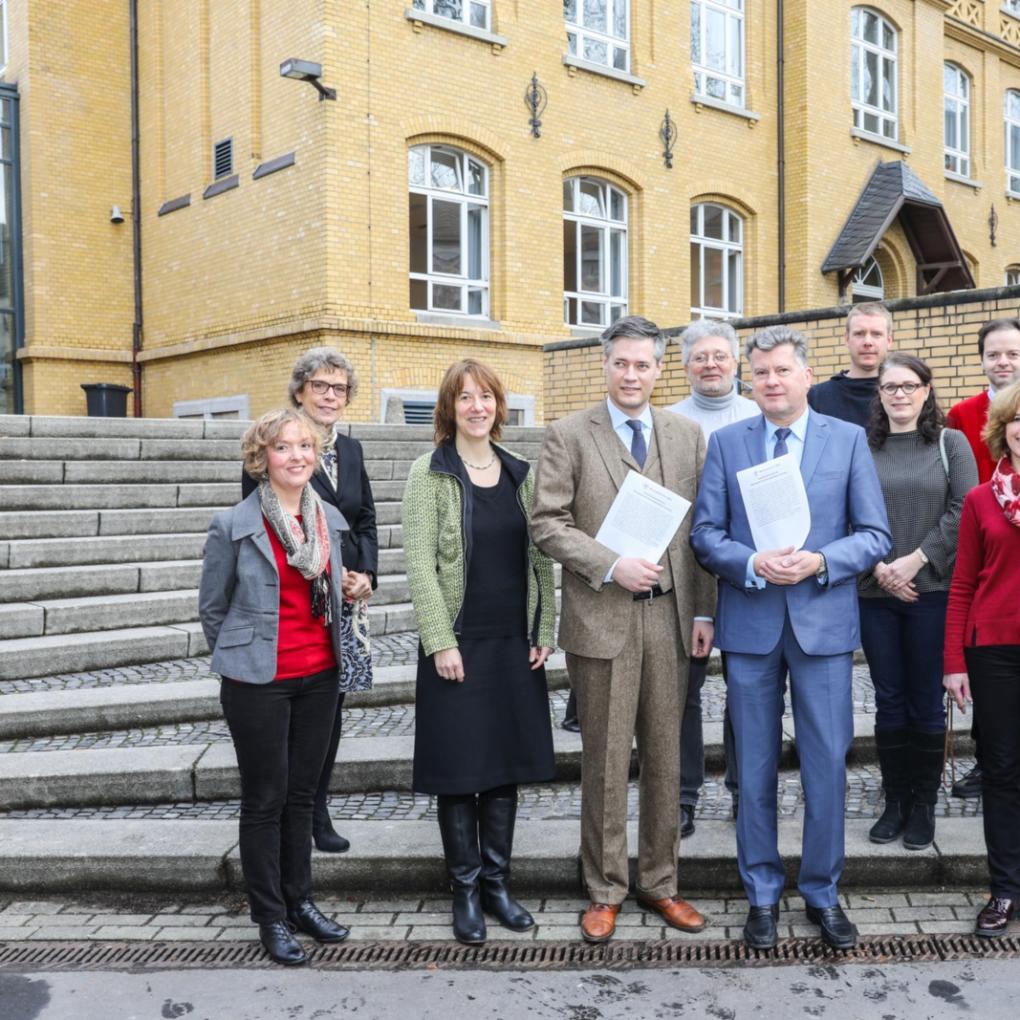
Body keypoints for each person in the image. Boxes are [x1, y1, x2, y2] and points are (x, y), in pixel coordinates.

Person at [691, 325, 891, 952]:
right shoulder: (727, 443)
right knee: (751, 767)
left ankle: (824, 892)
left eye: (783, 371)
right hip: (750, 626)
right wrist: (750, 563)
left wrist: (822, 561)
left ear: (807, 375)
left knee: (827, 764)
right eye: (763, 374)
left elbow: (874, 535)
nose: (773, 382)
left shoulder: (849, 440)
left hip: (823, 624)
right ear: (751, 381)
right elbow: (705, 534)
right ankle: (761, 894)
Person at [532, 315, 715, 944]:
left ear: (660, 368)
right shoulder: (566, 434)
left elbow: (700, 534)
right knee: (606, 762)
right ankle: (605, 888)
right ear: (604, 365)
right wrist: (610, 564)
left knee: (666, 758)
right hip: (602, 617)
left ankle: (661, 883)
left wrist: (703, 612)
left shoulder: (687, 435)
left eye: (643, 364)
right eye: (620, 363)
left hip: (669, 618)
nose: (631, 374)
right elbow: (548, 523)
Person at [402, 359, 556, 946]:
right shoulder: (430, 472)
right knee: (459, 771)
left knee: (502, 771)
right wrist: (440, 641)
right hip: (458, 644)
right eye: (465, 397)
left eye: (486, 396)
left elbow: (542, 559)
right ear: (450, 407)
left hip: (513, 643)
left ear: (499, 406)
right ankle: (464, 889)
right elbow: (419, 564)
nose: (476, 406)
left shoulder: (523, 472)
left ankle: (497, 885)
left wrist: (545, 627)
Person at [200, 408, 355, 966]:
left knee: (302, 797)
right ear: (261, 458)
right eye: (284, 447)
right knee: (264, 801)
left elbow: (331, 597)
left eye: (306, 447)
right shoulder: (233, 525)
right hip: (258, 682)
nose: (297, 457)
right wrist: (245, 655)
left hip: (320, 677)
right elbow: (213, 610)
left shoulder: (329, 522)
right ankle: (269, 916)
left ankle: (301, 902)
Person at [242, 347, 377, 854]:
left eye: (339, 388)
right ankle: (288, 809)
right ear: (299, 390)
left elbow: (364, 520)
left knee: (330, 711)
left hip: (346, 605)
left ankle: (315, 807)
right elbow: (261, 526)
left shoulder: (353, 450)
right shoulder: (276, 446)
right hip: (297, 603)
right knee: (291, 717)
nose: (330, 395)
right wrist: (328, 571)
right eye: (320, 385)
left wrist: (365, 575)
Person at [858, 354, 977, 851]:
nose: (899, 394)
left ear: (927, 391)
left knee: (925, 701)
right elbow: (846, 510)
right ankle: (895, 800)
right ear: (879, 394)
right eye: (890, 387)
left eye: (909, 385)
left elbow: (962, 509)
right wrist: (882, 568)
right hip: (874, 591)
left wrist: (915, 560)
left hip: (933, 594)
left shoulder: (951, 443)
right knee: (888, 700)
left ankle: (924, 803)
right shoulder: (861, 447)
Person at [666, 318, 758, 838]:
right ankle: (682, 795)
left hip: (749, 572)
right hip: (684, 576)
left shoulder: (758, 415)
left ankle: (745, 790)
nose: (711, 365)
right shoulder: (666, 421)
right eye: (700, 357)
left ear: (736, 361)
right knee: (683, 692)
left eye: (720, 355)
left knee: (748, 690)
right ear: (683, 366)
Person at [944, 379, 1020, 938]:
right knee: (1003, 772)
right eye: (1016, 419)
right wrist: (954, 661)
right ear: (1003, 430)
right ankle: (1006, 889)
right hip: (994, 652)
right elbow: (963, 584)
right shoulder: (979, 499)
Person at [945, 319, 1020, 800]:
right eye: (994, 354)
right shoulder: (963, 413)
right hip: (984, 533)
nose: (1004, 362)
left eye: (1013, 353)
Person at [807, 302, 894, 428]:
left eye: (876, 334)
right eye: (859, 333)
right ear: (847, 339)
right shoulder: (817, 397)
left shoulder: (903, 395)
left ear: (889, 341)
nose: (868, 342)